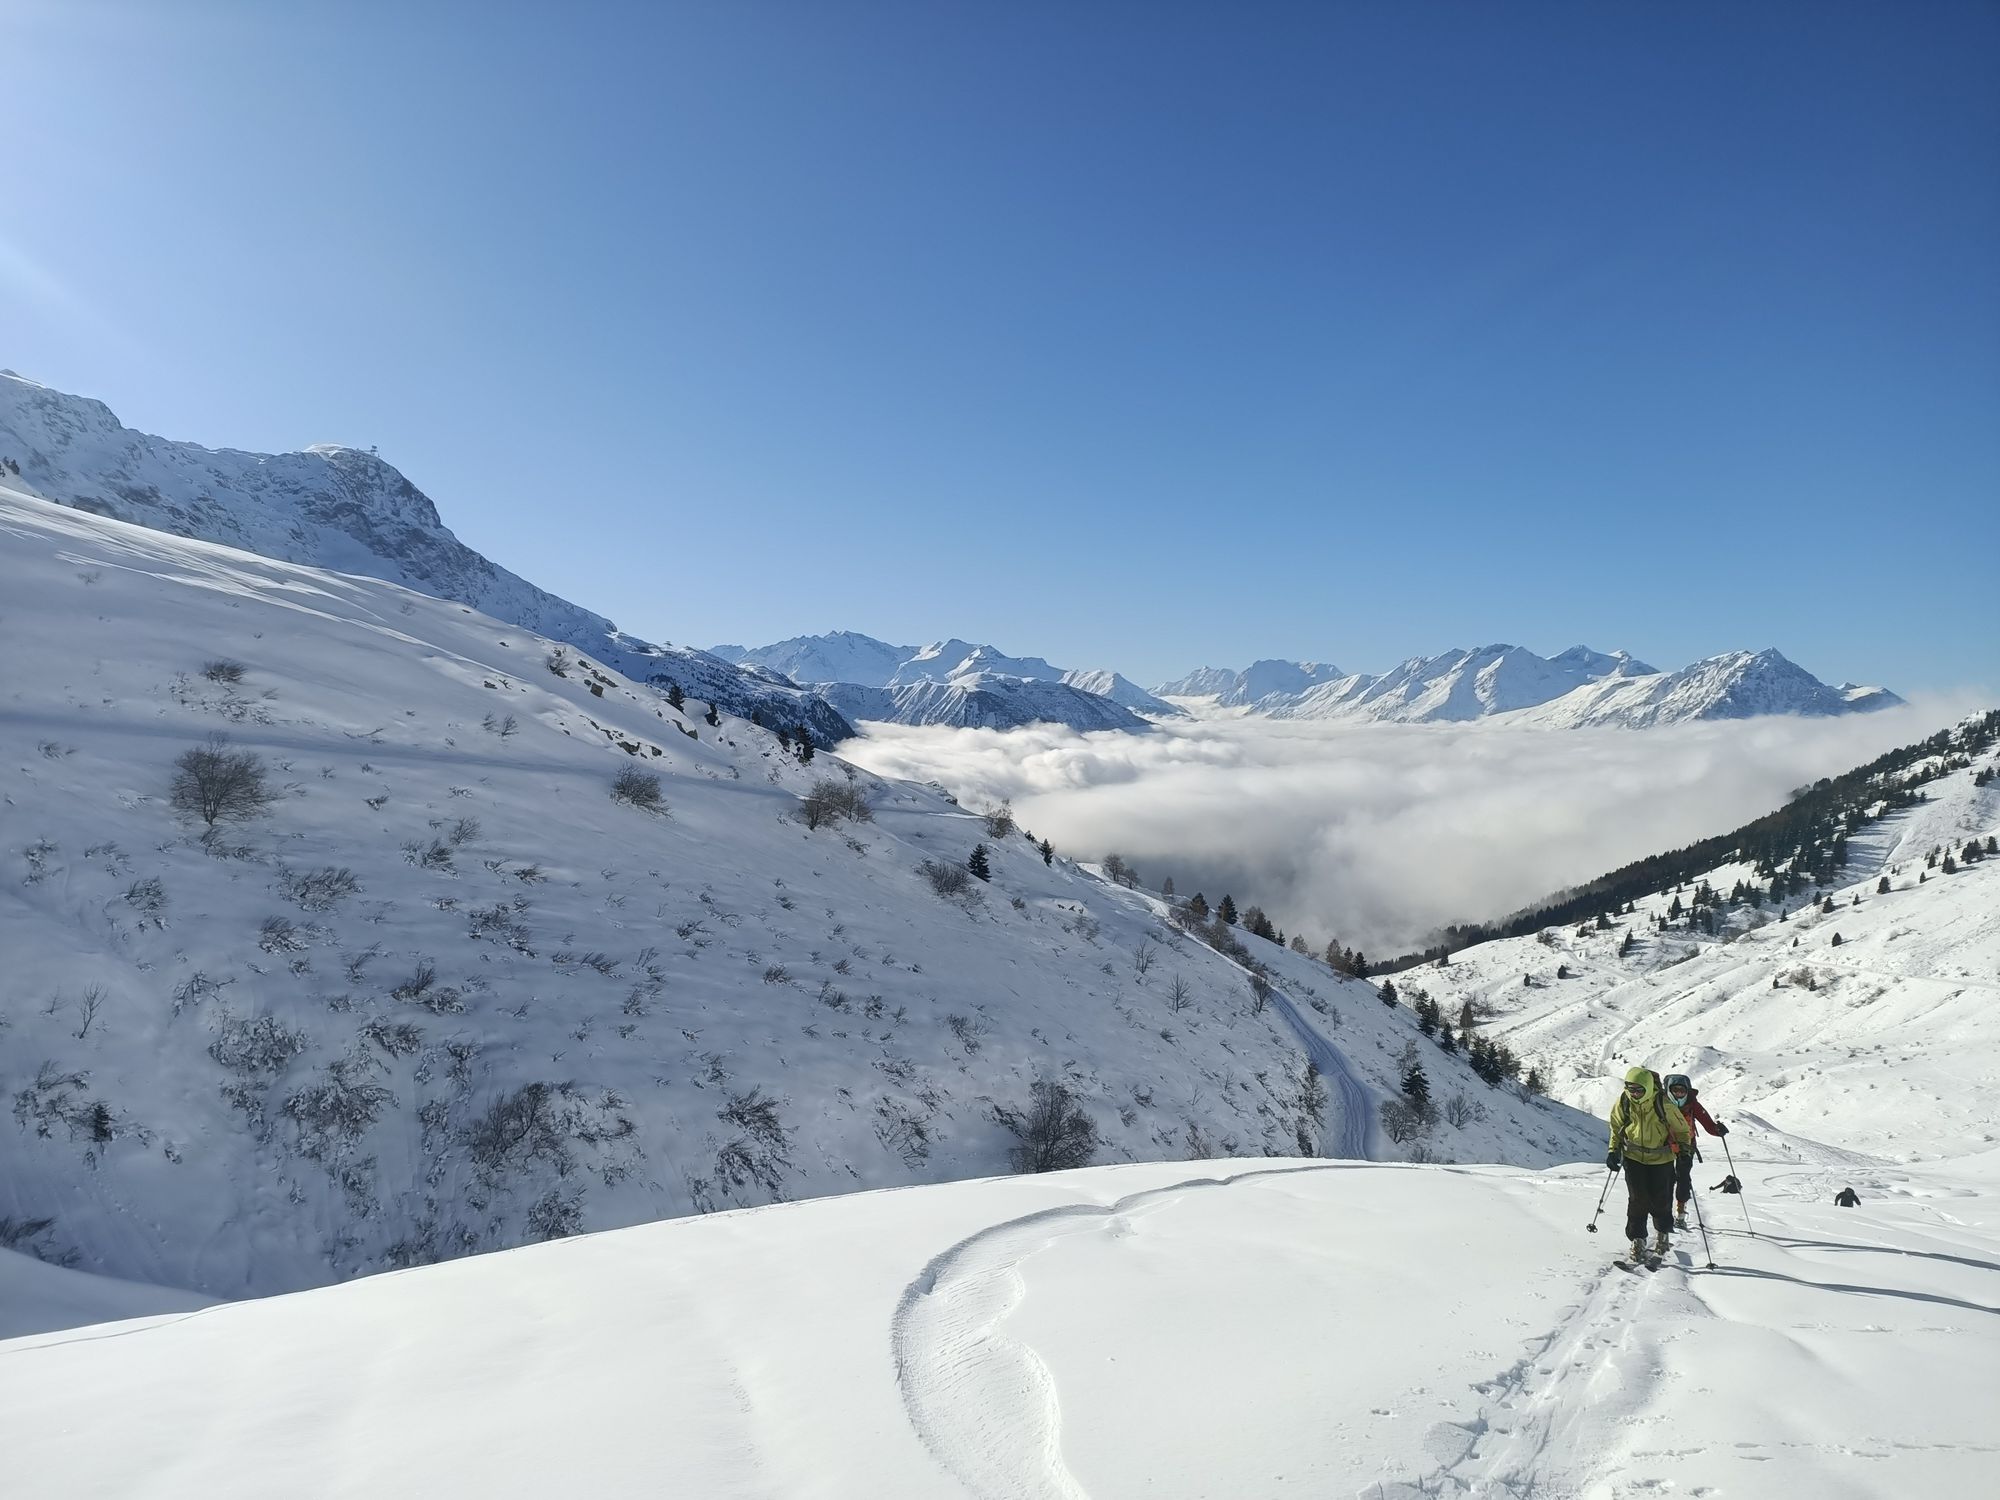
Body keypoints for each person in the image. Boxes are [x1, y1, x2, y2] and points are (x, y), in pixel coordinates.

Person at [1607, 1067, 1692, 1262]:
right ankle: (1638, 1239)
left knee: (1660, 1199)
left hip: (1662, 1159)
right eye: (1631, 1089)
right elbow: (1616, 1126)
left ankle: (1663, 1233)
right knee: (1638, 1199)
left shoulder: (1663, 1103)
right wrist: (1613, 1150)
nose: (1634, 1094)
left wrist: (1685, 1150)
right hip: (1634, 1157)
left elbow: (1681, 1129)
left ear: (1647, 1086)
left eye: (1639, 1090)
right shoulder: (1625, 1101)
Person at [1662, 1074, 1727, 1229]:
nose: (1679, 1094)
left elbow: (1707, 1122)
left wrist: (1717, 1130)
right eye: (1675, 1090)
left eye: (1682, 1091)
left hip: (1687, 1145)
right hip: (1665, 1144)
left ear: (1687, 1091)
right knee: (1666, 1180)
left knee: (1683, 1178)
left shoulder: (1692, 1104)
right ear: (1669, 1090)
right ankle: (1665, 1212)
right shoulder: (1662, 1102)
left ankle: (1680, 1210)